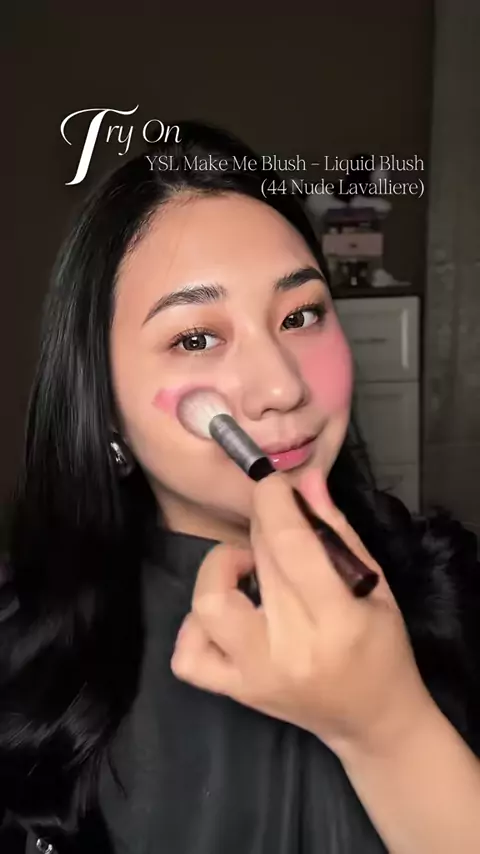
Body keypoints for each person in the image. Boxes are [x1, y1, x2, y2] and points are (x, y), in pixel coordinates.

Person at [0, 122, 479, 854]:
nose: (282, 387)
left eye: (301, 315)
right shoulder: (21, 650)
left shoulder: (456, 586)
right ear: (103, 405)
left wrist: (390, 728)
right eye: (196, 338)